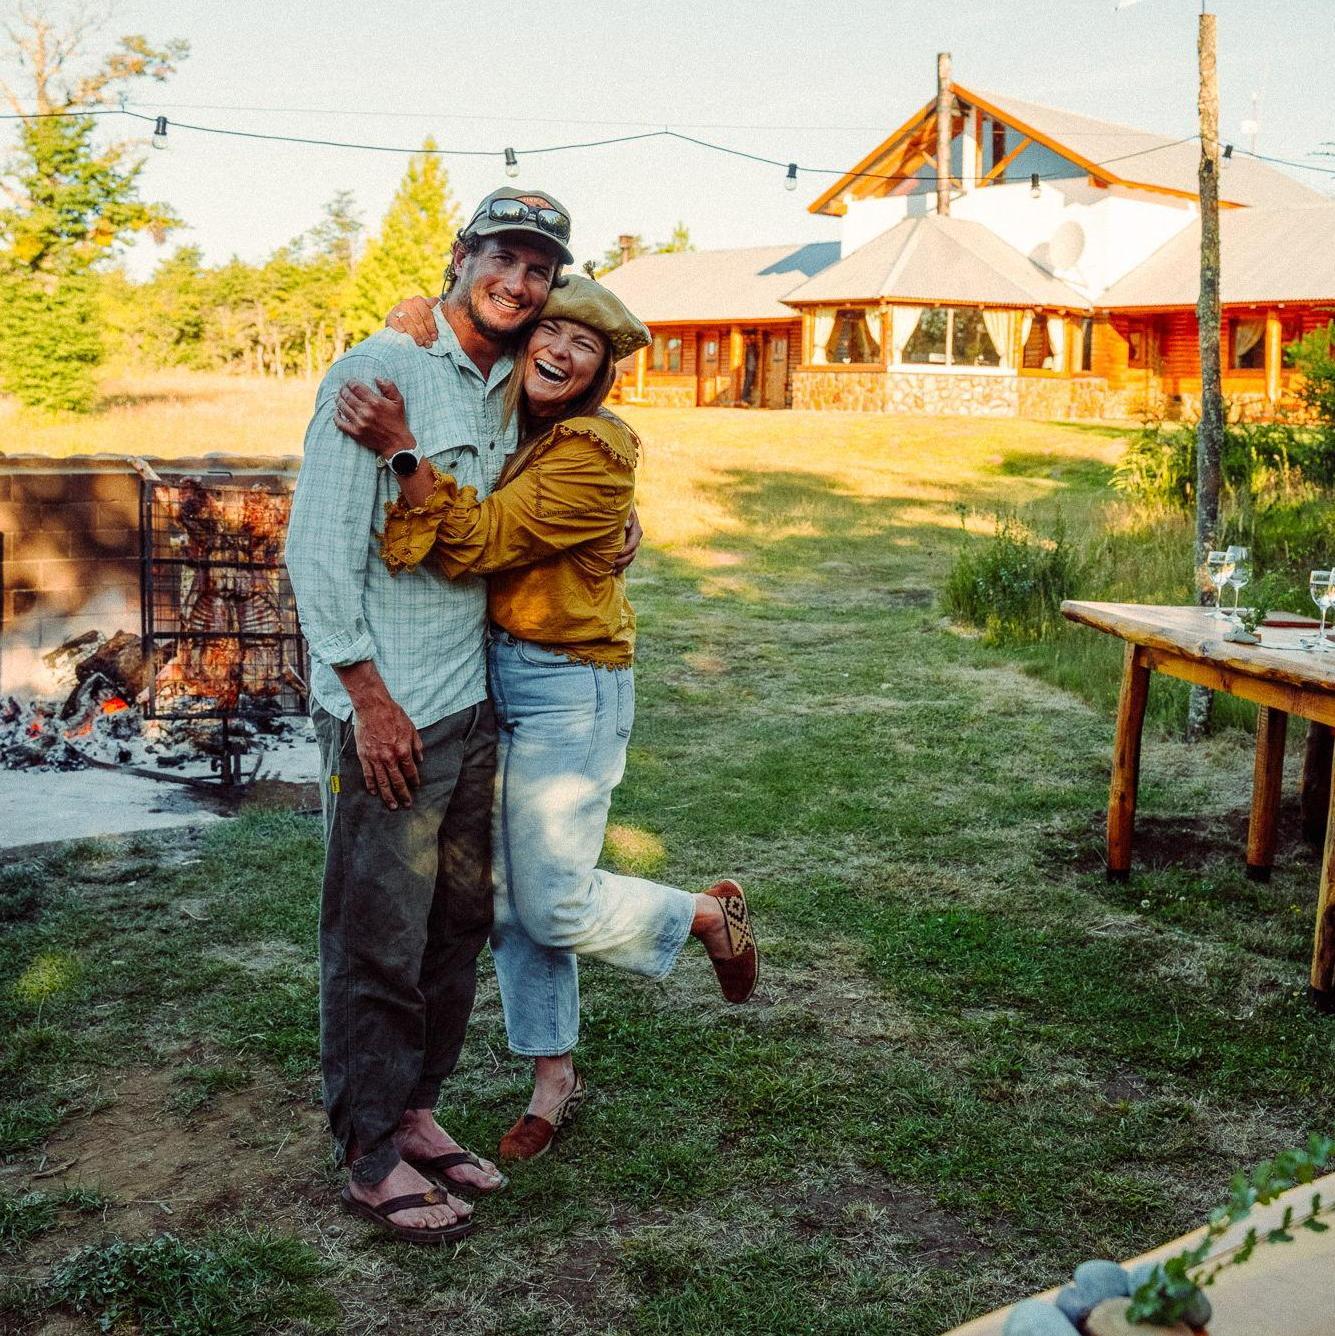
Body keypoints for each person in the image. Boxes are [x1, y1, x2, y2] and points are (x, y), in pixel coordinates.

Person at [331, 272, 760, 1164]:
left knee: (554, 904)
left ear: (602, 372)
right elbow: (461, 325)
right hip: (491, 674)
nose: (559, 352)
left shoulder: (595, 447)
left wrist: (403, 454)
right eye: (550, 333)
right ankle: (552, 1078)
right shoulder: (515, 425)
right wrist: (411, 316)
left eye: (584, 346)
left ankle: (701, 915)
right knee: (507, 904)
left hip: (571, 685)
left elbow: (479, 541)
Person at [286, 187, 608, 1243]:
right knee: (376, 937)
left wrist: (622, 521)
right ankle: (369, 1154)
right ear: (460, 256)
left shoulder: (507, 383)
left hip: (472, 703)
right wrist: (367, 701)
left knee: (454, 928)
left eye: (538, 269)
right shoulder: (378, 372)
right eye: (501, 258)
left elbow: (547, 480)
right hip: (392, 712)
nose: (517, 283)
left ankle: (417, 1111)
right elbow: (317, 553)